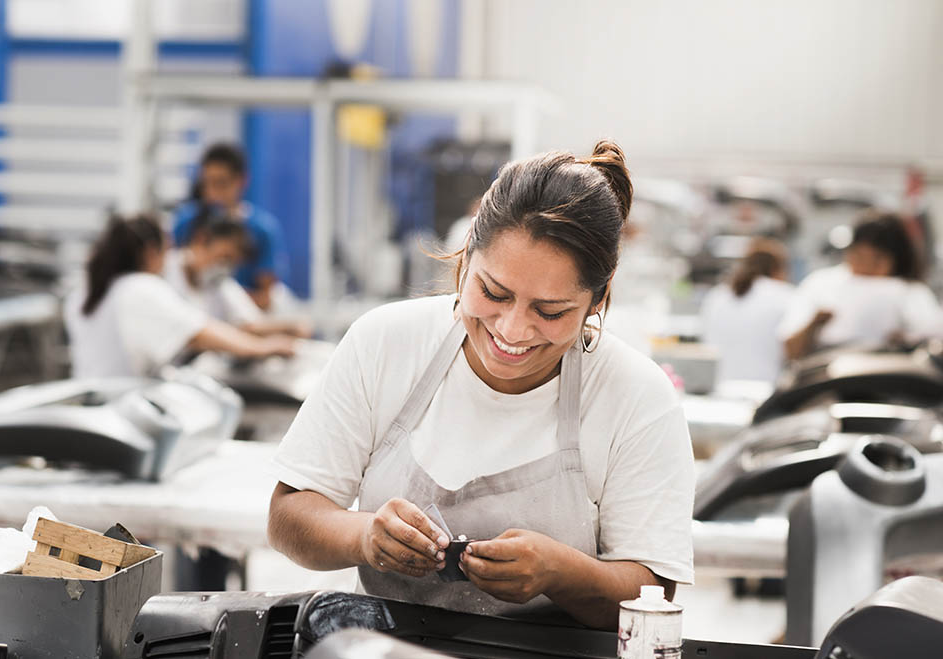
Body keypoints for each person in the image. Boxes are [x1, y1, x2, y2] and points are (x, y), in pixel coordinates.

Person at [267, 141, 694, 629]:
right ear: (467, 254)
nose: (512, 330)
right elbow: (289, 515)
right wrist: (365, 537)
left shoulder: (636, 397)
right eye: (493, 292)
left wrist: (560, 572)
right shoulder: (385, 342)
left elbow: (654, 593)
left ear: (599, 296)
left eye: (550, 311)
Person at [64, 214, 296, 379]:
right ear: (150, 252)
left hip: (91, 395)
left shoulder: (86, 291)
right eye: (166, 250)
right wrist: (263, 348)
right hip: (121, 405)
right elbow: (198, 332)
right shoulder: (141, 287)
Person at [779, 212, 943, 360]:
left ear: (896, 261)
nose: (865, 265)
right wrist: (815, 324)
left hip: (889, 383)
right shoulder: (820, 283)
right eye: (858, 255)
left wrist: (906, 343)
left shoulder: (911, 292)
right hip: (825, 380)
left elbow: (933, 346)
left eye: (877, 259)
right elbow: (790, 348)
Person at [173, 143, 290, 312]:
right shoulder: (185, 222)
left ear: (242, 180)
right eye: (206, 184)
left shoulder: (263, 229)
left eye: (221, 183)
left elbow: (266, 298)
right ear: (200, 239)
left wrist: (224, 298)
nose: (212, 193)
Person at [163, 207, 311, 338]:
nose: (224, 266)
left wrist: (292, 327)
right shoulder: (164, 270)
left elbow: (249, 323)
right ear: (201, 240)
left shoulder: (219, 283)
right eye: (224, 257)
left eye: (231, 262)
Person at [700, 238, 794, 383]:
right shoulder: (786, 295)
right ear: (778, 269)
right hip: (767, 388)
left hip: (719, 385)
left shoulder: (717, 295)